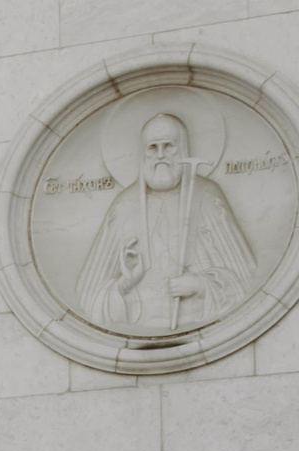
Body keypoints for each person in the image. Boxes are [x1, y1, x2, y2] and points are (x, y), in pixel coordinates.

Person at [78, 111, 257, 334]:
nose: (160, 155)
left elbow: (247, 281)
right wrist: (124, 284)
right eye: (152, 148)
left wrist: (200, 285)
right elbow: (89, 298)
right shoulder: (124, 206)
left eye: (168, 146)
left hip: (201, 327)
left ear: (183, 149)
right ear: (142, 154)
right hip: (140, 331)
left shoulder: (206, 196)